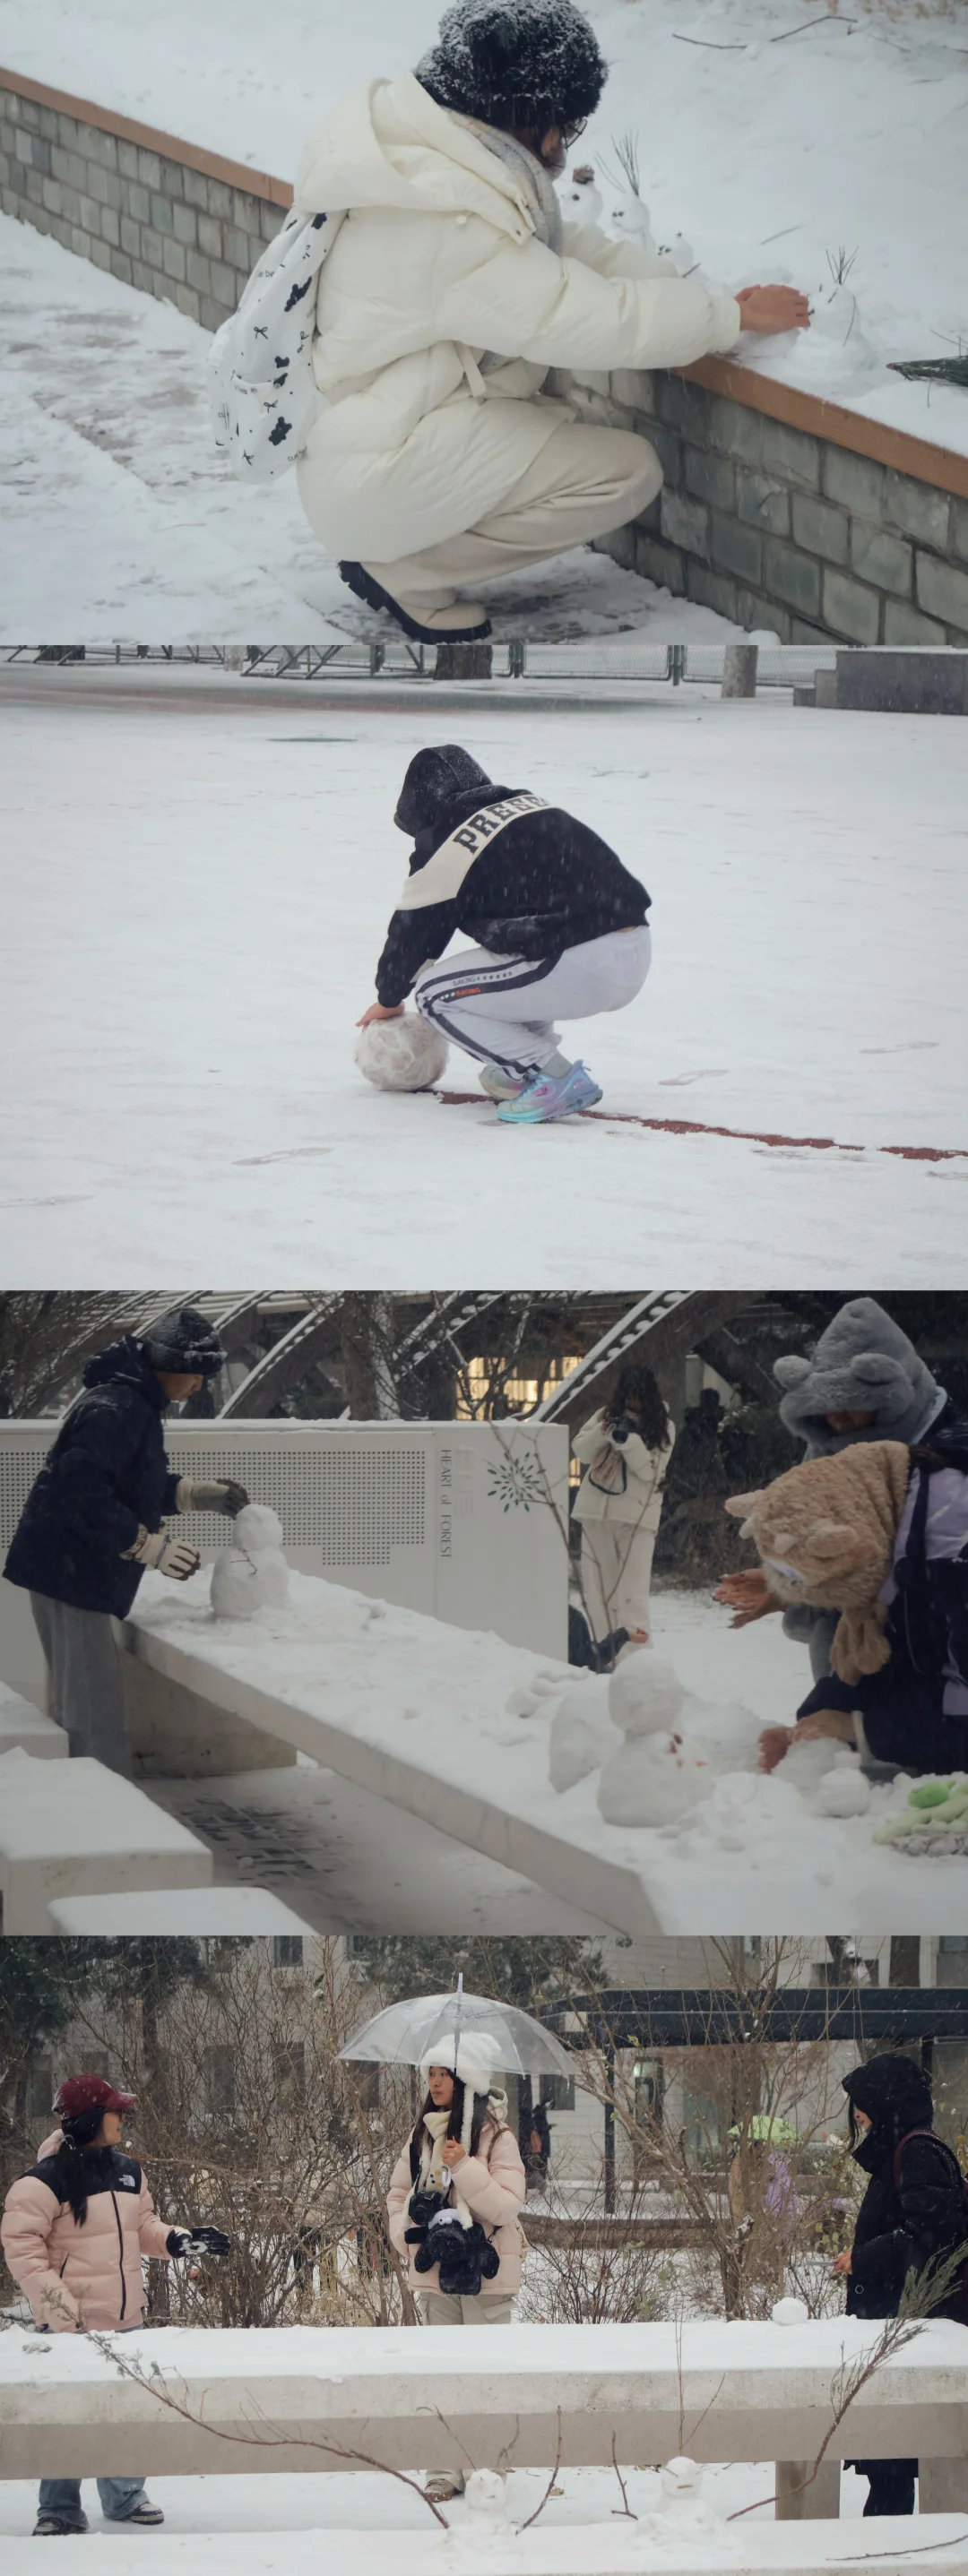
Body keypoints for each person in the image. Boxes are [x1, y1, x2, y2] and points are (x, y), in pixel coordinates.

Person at [292, 0, 808, 644]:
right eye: (564, 122)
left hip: (378, 438)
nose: (566, 141)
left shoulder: (436, 160)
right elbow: (578, 316)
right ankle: (407, 568)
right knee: (626, 471)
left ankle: (399, 550)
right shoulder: (446, 217)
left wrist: (689, 290)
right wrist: (725, 319)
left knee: (571, 435)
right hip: (377, 468)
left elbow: (559, 253)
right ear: (526, 114)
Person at [4, 1306, 248, 1775]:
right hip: (70, 1570)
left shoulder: (131, 1399)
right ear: (170, 1364)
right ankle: (105, 1806)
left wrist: (189, 1493)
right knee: (92, 1704)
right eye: (196, 1374)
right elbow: (79, 1494)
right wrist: (149, 1546)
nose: (199, 1386)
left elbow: (123, 1482)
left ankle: (87, 1797)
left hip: (65, 1566)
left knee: (78, 1697)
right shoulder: (120, 1408)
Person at [357, 743, 652, 1121]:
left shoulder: (451, 839)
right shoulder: (525, 805)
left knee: (433, 994)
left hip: (578, 957)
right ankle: (524, 1071)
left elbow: (417, 930)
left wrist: (390, 996)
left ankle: (549, 1074)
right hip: (632, 947)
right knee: (509, 965)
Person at [1, 2074, 231, 2537]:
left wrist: (177, 2240)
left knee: (127, 2411)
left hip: (128, 2321)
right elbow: (22, 2250)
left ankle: (125, 2496)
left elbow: (140, 2226)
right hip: (70, 2329)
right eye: (114, 2110)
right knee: (70, 2416)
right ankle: (60, 2509)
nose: (122, 2117)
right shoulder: (41, 2182)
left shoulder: (127, 2170)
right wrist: (62, 2315)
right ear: (89, 2120)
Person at [715, 1298, 968, 1683]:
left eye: (854, 1404)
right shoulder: (829, 1446)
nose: (837, 1418)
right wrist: (784, 1581)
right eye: (826, 1407)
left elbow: (910, 1572)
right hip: (843, 1666)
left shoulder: (948, 1462)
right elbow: (826, 1547)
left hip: (932, 1672)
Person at [722, 1437, 968, 1777]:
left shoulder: (952, 1554)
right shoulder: (886, 1516)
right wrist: (820, 1720)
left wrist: (859, 1728)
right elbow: (889, 1649)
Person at [385, 2038, 527, 2503]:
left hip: (486, 2275)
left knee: (487, 2378)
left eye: (445, 2074)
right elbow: (396, 2196)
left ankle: (487, 2473)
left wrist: (463, 2165)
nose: (436, 2082)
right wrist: (407, 2236)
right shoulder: (420, 2136)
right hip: (436, 2271)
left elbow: (505, 2207)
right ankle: (444, 2473)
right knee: (442, 2375)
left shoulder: (497, 2137)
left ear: (467, 2079)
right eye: (431, 2075)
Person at [834, 2054, 968, 2518]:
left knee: (893, 2464)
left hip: (911, 2332)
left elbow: (929, 2237)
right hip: (898, 2329)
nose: (857, 2113)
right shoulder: (904, 2150)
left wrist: (862, 2259)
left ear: (888, 2101)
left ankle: (889, 2558)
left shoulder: (918, 2151)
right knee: (888, 2466)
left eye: (863, 2102)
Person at [572, 1365, 675, 1645]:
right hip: (595, 1514)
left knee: (632, 1598)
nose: (632, 1403)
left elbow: (651, 1472)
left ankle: (637, 1665)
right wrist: (603, 1432)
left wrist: (628, 1441)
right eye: (628, 1396)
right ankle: (605, 1658)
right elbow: (580, 1451)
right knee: (598, 1596)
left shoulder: (663, 1425)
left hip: (637, 1519)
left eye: (638, 1397)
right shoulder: (605, 1415)